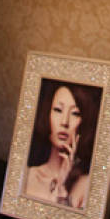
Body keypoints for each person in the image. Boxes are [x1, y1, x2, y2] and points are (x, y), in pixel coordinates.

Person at [24, 80, 101, 210]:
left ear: (84, 121)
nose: (64, 122)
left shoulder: (87, 186)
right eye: (58, 110)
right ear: (47, 115)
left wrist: (62, 188)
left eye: (75, 113)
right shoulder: (27, 175)